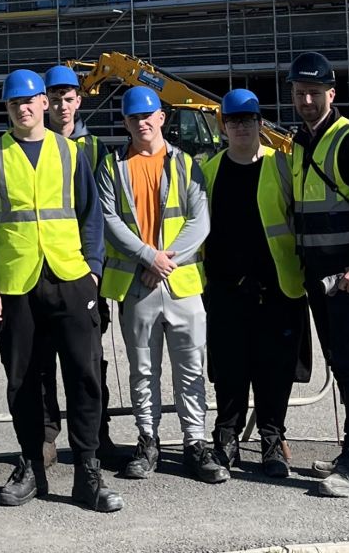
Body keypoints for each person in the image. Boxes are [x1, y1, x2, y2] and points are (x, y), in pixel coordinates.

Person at [0, 69, 123, 512]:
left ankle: (88, 472)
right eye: (13, 102)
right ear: (8, 109)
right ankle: (31, 467)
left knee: (85, 376)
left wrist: (93, 270)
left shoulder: (70, 153)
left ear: (43, 104)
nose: (23, 107)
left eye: (30, 100)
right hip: (17, 284)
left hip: (70, 278)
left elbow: (90, 215)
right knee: (24, 383)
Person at [95, 86, 227, 484]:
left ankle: (195, 443)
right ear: (125, 123)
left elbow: (199, 222)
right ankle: (147, 442)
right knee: (143, 371)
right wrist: (147, 257)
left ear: (162, 118)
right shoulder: (112, 166)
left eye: (148, 115)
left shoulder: (187, 164)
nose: (142, 123)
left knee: (191, 370)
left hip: (181, 284)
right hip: (138, 286)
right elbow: (109, 220)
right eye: (134, 117)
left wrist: (163, 260)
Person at [286, 51, 349, 497]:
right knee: (339, 360)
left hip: (346, 276)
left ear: (332, 94)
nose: (307, 100)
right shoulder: (300, 141)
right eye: (299, 93)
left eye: (314, 93)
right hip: (317, 275)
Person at [201, 89, 311, 479]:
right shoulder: (209, 171)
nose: (242, 127)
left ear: (260, 124)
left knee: (274, 369)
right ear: (224, 126)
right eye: (234, 121)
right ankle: (226, 437)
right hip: (227, 289)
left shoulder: (281, 166)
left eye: (248, 120)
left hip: (278, 287)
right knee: (229, 368)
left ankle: (271, 439)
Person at [40, 64, 116, 466]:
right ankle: (47, 437)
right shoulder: (33, 146)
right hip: (42, 271)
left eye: (68, 99)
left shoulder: (94, 149)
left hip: (82, 274)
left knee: (89, 360)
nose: (61, 106)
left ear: (79, 101)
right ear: (43, 102)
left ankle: (95, 435)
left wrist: (94, 271)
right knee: (42, 360)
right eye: (54, 99)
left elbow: (100, 215)